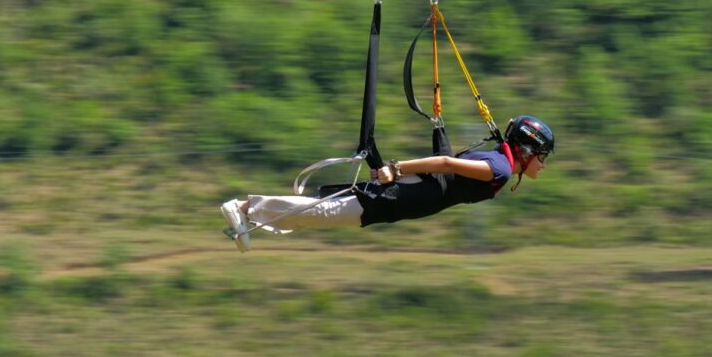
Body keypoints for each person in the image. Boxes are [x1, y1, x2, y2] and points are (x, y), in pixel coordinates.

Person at [220, 116, 554, 252]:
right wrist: (395, 169)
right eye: (542, 156)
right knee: (325, 212)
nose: (543, 163)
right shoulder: (500, 170)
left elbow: (448, 169)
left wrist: (437, 130)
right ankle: (245, 209)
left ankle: (251, 213)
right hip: (404, 195)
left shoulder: (498, 162)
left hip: (411, 198)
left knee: (325, 212)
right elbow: (447, 163)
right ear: (525, 151)